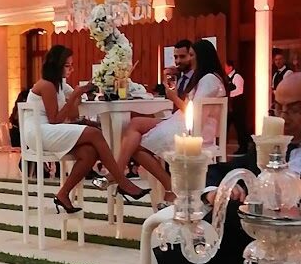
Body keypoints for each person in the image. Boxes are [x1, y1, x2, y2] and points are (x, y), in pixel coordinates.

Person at [108, 73, 301, 264]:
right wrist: (214, 192)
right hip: (254, 249)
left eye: (294, 108)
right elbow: (227, 169)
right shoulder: (269, 143)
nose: (283, 115)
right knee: (219, 257)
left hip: (293, 256)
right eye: (278, 107)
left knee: (227, 228)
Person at [95, 39, 228, 205]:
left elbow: (194, 113)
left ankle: (163, 184)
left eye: (192, 55)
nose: (189, 59)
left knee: (135, 145)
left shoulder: (209, 79)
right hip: (185, 122)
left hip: (193, 129)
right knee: (135, 124)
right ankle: (119, 172)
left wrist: (173, 98)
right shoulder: (206, 77)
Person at [24, 45, 148, 213]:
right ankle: (122, 181)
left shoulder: (60, 84)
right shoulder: (46, 85)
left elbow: (73, 114)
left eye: (71, 65)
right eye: (67, 66)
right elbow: (55, 120)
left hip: (49, 130)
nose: (71, 69)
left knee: (89, 152)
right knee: (95, 134)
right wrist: (75, 95)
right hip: (38, 132)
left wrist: (83, 92)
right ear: (56, 65)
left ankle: (63, 194)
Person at [225, 60, 250, 155]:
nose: (224, 69)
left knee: (240, 127)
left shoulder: (237, 76)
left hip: (238, 106)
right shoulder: (226, 78)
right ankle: (222, 146)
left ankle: (244, 147)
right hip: (230, 107)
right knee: (225, 126)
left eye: (225, 67)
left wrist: (227, 95)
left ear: (230, 67)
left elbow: (239, 90)